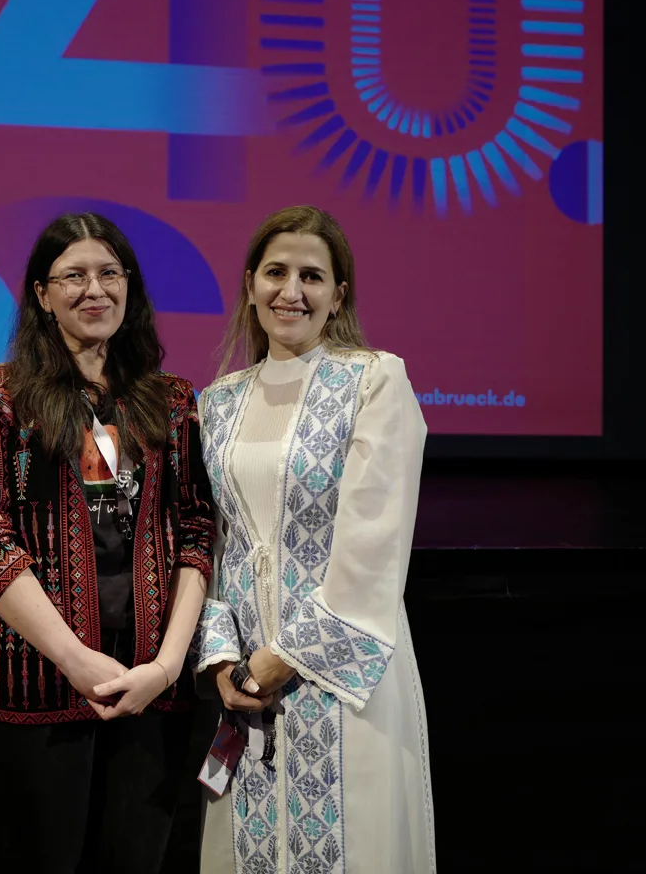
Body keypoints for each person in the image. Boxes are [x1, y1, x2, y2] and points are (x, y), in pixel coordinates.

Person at [0, 211, 216, 873]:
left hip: (153, 686)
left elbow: (197, 532)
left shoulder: (172, 401)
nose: (93, 290)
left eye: (108, 273)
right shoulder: (3, 394)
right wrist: (73, 659)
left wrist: (164, 667)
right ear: (42, 295)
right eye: (73, 276)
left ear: (129, 287)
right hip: (39, 682)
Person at [192, 206, 435, 873]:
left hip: (344, 681)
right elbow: (208, 547)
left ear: (338, 296)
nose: (290, 291)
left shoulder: (375, 380)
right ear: (250, 285)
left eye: (311, 276)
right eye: (275, 272)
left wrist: (282, 660)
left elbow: (374, 541)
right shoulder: (216, 403)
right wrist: (223, 665)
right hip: (243, 688)